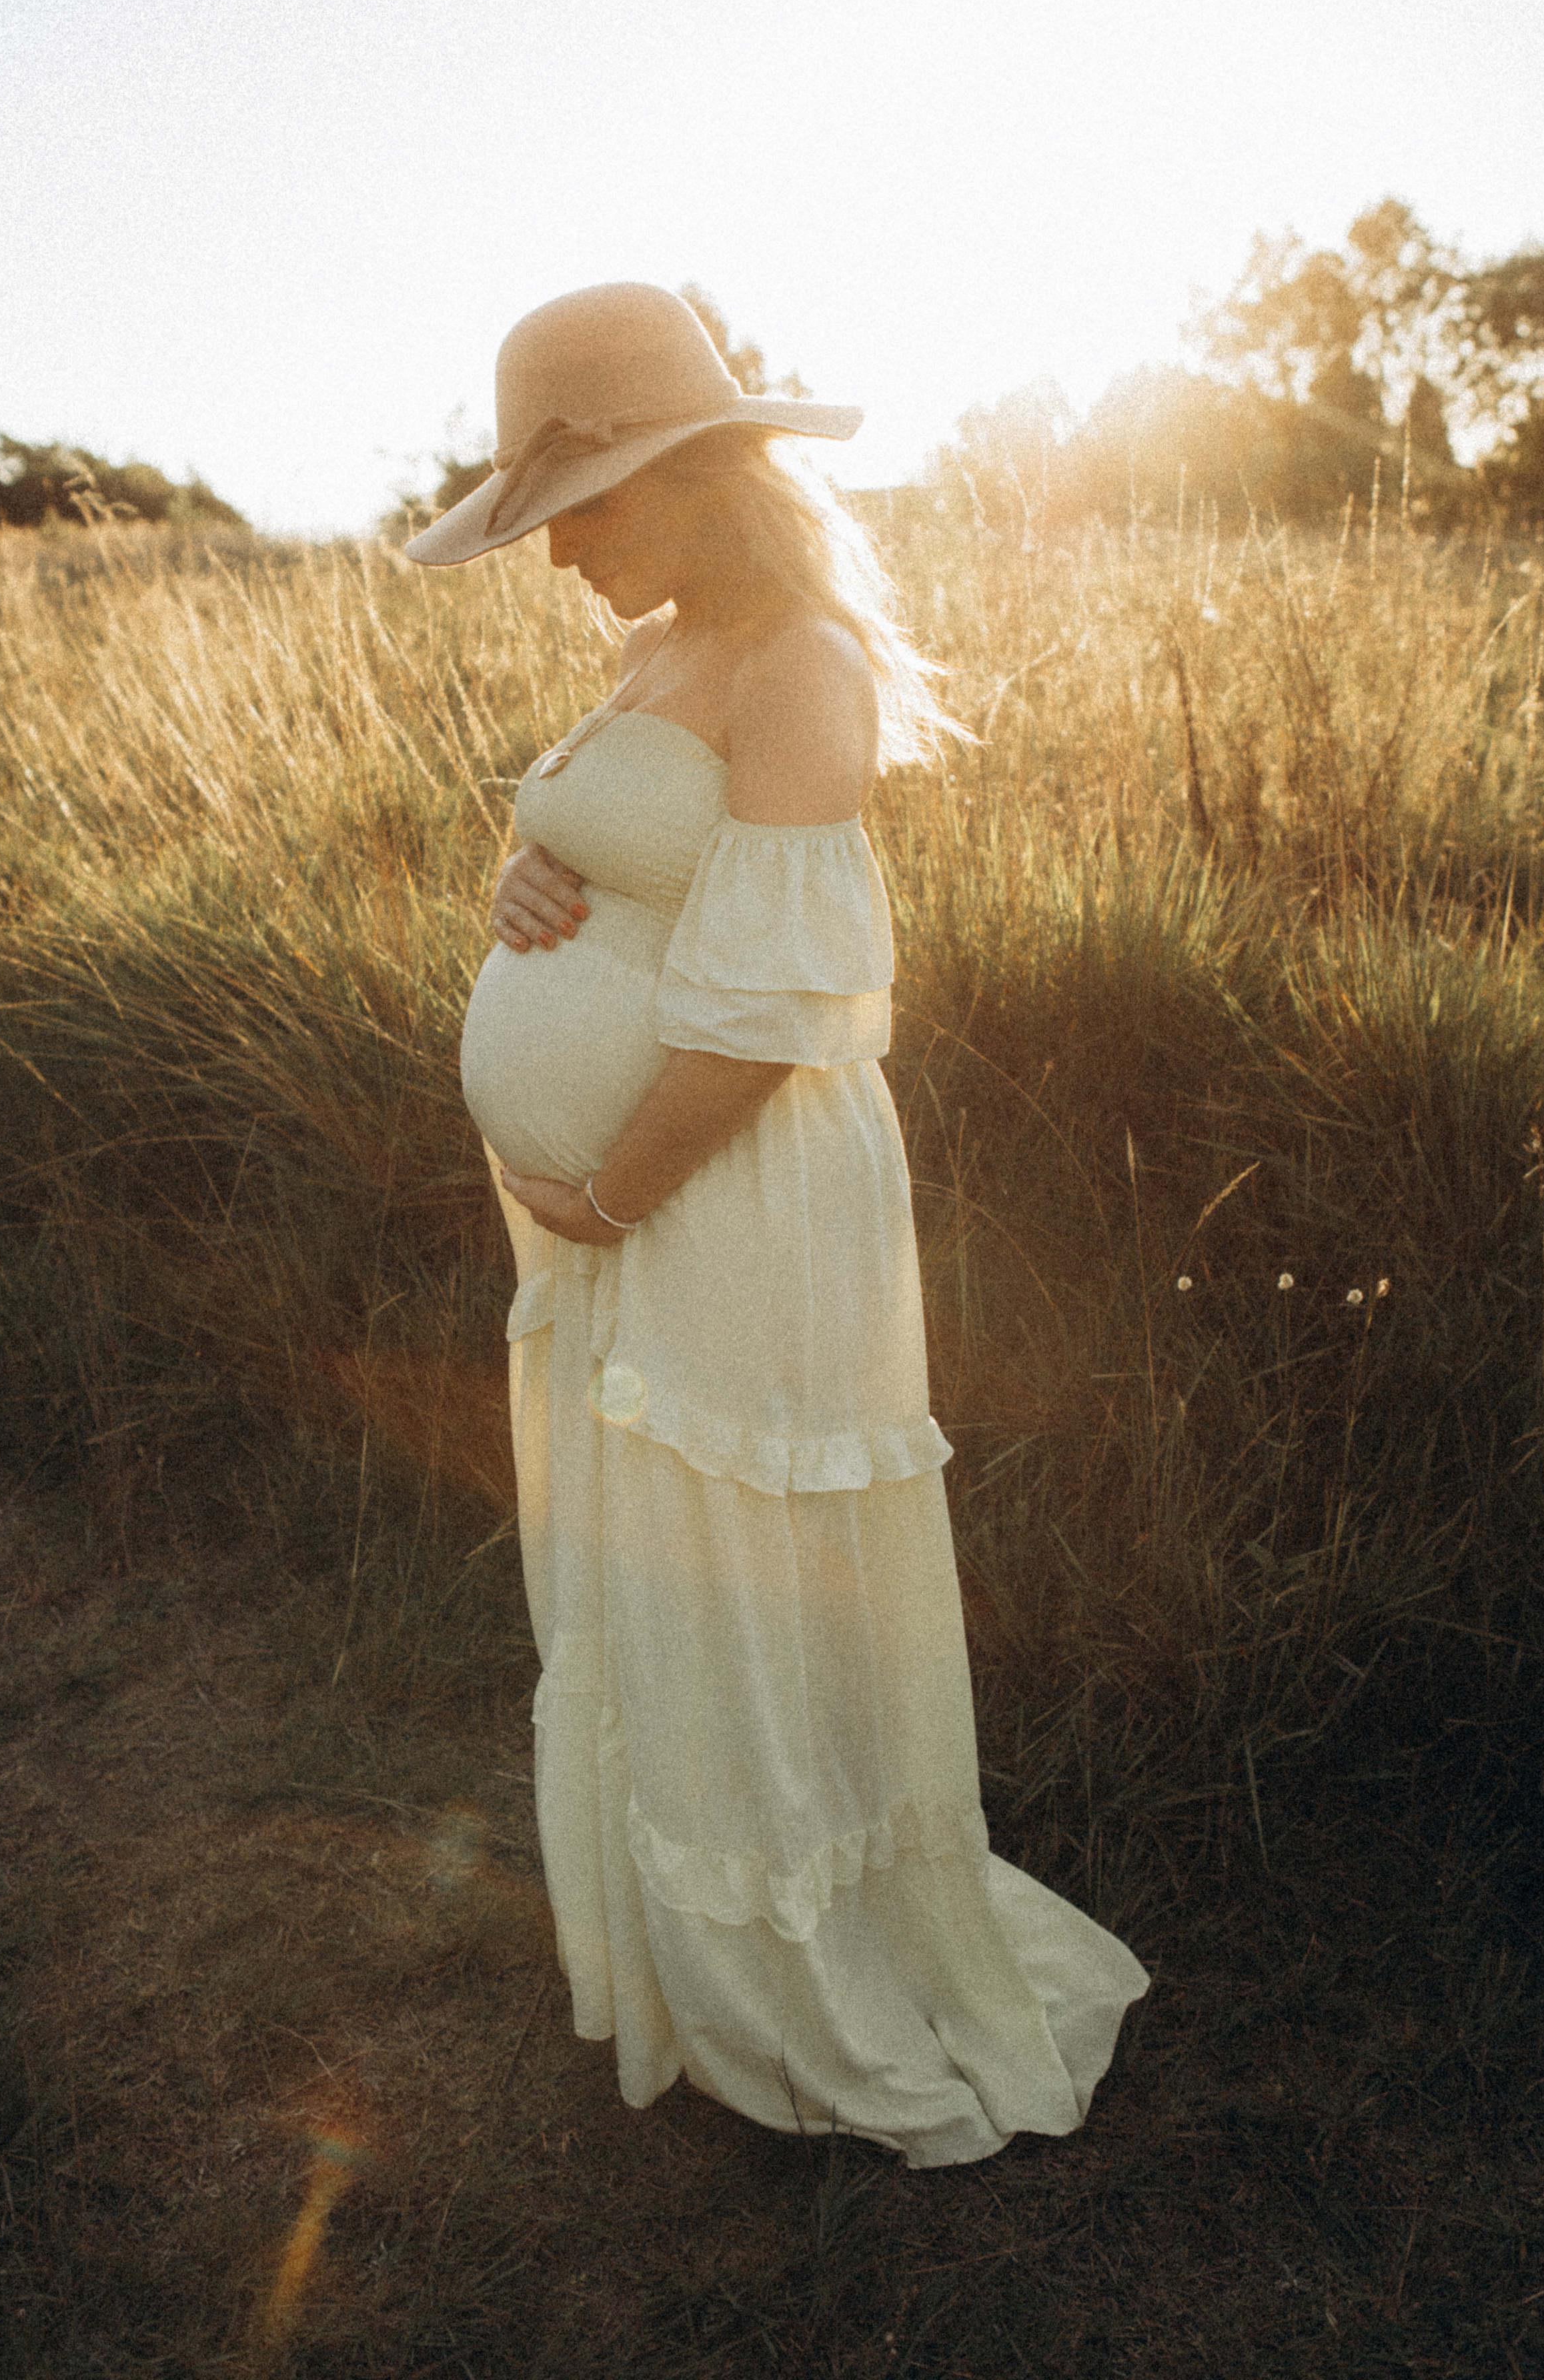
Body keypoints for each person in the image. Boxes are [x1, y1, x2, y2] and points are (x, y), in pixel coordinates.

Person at [406, 283, 1147, 2168]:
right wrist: (526, 878)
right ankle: (695, 1961)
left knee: (741, 1561)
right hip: (612, 1208)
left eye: (580, 502)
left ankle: (808, 1977)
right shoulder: (662, 652)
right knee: (658, 1577)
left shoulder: (794, 658)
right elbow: (635, 876)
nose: (557, 544)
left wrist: (608, 1186)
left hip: (721, 1190)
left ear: (691, 474)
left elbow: (777, 999)